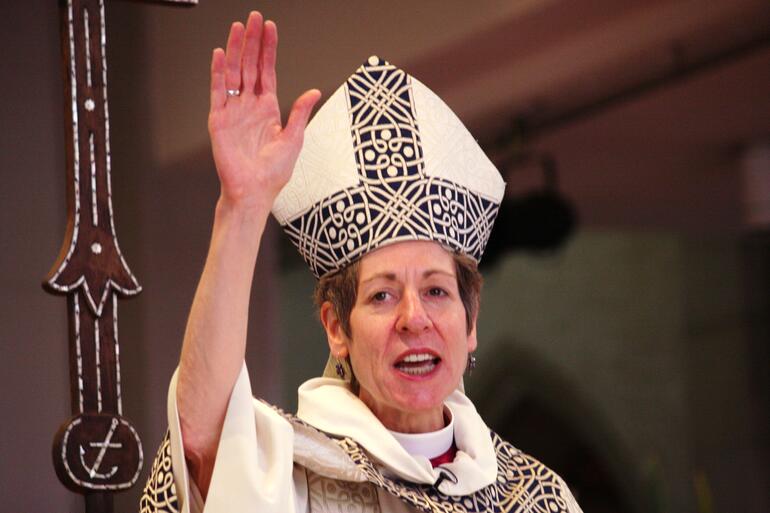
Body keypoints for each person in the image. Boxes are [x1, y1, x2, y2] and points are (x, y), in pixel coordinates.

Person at [140, 11, 583, 513]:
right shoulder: (292, 476)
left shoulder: (535, 496)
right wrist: (241, 210)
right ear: (336, 329)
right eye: (382, 295)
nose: (414, 319)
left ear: (471, 320)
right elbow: (201, 440)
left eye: (436, 290)